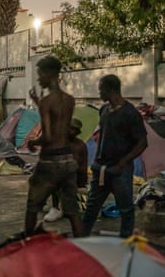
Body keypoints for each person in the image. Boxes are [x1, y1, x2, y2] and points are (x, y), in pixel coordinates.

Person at [82, 75, 147, 238]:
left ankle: (126, 243)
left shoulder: (130, 113)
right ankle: (81, 240)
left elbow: (142, 143)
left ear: (111, 90)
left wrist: (123, 162)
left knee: (126, 209)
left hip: (120, 171)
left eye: (101, 90)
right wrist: (96, 159)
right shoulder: (104, 110)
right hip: (100, 169)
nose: (99, 93)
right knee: (91, 208)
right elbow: (102, 135)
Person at [25, 56, 82, 237]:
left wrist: (34, 142)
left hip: (50, 161)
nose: (39, 79)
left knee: (33, 206)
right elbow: (61, 129)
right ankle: (83, 248)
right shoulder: (69, 100)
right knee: (72, 211)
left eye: (40, 74)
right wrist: (38, 103)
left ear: (50, 74)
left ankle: (26, 245)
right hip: (68, 159)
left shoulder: (47, 101)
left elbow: (49, 136)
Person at [43, 118, 89, 222]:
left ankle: (57, 208)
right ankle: (55, 206)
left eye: (72, 129)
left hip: (76, 179)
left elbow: (76, 166)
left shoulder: (79, 145)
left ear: (77, 132)